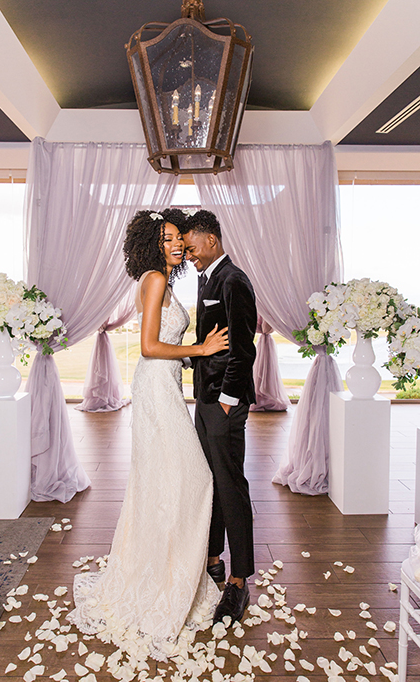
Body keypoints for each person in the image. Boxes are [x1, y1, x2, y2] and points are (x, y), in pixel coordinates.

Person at [68, 209, 228, 661]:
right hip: (157, 387)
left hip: (163, 385)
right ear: (152, 243)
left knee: (162, 480)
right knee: (194, 479)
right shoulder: (155, 279)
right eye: (169, 238)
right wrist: (200, 349)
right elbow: (150, 346)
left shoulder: (158, 278)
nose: (177, 244)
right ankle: (167, 579)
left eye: (179, 238)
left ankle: (169, 572)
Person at [180, 209, 257, 627]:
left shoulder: (233, 280)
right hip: (205, 400)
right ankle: (212, 559)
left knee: (231, 487)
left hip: (223, 403)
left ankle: (239, 580)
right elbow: (211, 342)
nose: (188, 255)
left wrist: (227, 399)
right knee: (210, 482)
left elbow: (244, 348)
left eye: (192, 248)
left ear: (210, 240)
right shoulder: (208, 277)